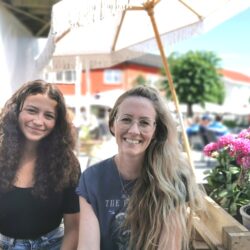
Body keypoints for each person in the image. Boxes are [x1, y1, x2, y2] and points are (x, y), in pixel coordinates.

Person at [76, 85, 205, 250]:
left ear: (155, 130)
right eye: (126, 119)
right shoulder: (92, 179)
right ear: (112, 124)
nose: (134, 130)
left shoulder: (173, 179)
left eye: (144, 123)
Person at [0, 79, 80, 249]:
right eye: (32, 111)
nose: (38, 121)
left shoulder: (67, 163)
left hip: (52, 244)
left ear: (57, 123)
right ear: (16, 112)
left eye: (48, 115)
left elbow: (73, 228)